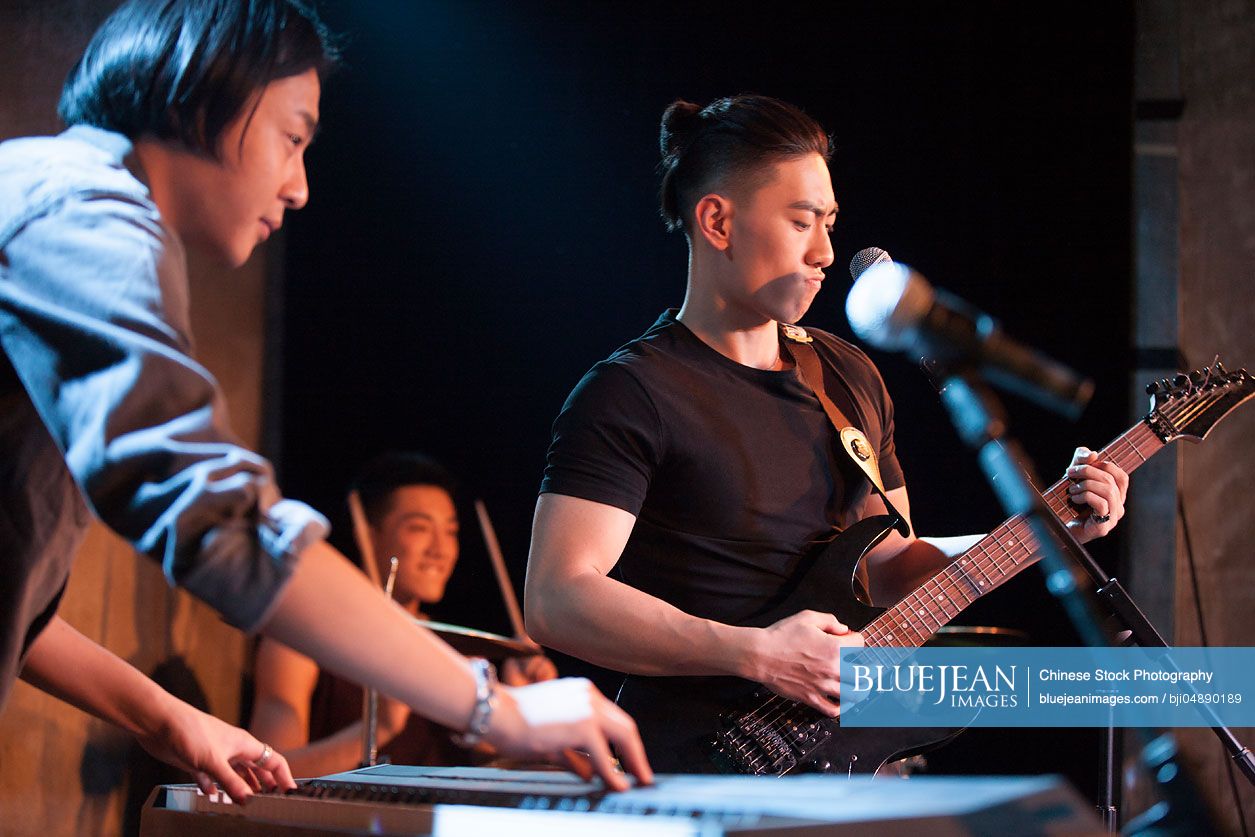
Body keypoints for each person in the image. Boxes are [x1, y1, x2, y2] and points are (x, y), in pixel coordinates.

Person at [0, 0, 650, 802]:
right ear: (205, 90)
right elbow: (218, 521)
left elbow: (19, 612)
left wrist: (170, 718)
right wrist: (497, 707)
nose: (301, 186)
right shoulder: (84, 215)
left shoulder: (55, 200)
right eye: (294, 136)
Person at [523, 94, 1129, 772]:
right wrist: (753, 651)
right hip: (694, 762)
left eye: (830, 222)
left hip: (839, 767)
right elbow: (556, 597)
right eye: (800, 220)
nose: (824, 252)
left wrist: (1048, 527)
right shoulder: (631, 391)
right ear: (717, 220)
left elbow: (892, 565)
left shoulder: (846, 374)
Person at [250, 452, 558, 777]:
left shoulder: (458, 649)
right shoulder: (300, 639)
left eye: (451, 532)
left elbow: (486, 773)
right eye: (419, 528)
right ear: (367, 533)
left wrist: (517, 708)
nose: (440, 549)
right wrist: (376, 728)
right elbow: (265, 775)